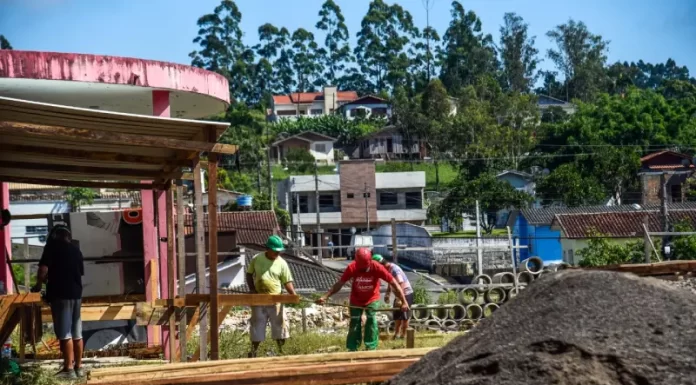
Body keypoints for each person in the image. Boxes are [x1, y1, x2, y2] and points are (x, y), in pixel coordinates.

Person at [316, 248, 409, 351]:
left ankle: (371, 347)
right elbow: (339, 284)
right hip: (356, 299)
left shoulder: (377, 267)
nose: (362, 270)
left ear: (370, 262)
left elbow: (394, 283)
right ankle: (352, 347)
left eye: (364, 267)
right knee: (355, 322)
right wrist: (325, 296)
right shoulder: (352, 267)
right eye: (360, 267)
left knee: (371, 320)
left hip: (372, 298)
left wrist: (404, 301)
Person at [32, 225, 84, 380]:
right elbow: (79, 272)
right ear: (68, 236)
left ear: (54, 236)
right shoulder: (76, 250)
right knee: (77, 333)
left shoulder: (51, 247)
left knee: (64, 333)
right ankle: (78, 368)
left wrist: (39, 284)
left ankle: (68, 369)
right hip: (76, 295)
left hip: (61, 295)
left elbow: (43, 270)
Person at [246, 235, 296, 357]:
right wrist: (252, 289)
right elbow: (249, 274)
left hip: (276, 300)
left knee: (280, 325)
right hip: (259, 298)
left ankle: (281, 351)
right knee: (257, 325)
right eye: (275, 250)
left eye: (279, 251)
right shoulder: (256, 259)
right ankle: (254, 352)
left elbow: (287, 281)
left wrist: (293, 295)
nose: (277, 253)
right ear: (268, 248)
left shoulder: (282, 263)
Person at [372, 254, 414, 339]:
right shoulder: (388, 269)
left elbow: (400, 283)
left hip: (406, 294)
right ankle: (397, 334)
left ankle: (403, 335)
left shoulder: (394, 269)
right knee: (397, 315)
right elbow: (391, 281)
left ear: (380, 264)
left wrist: (401, 299)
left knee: (404, 316)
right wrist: (388, 293)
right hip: (399, 295)